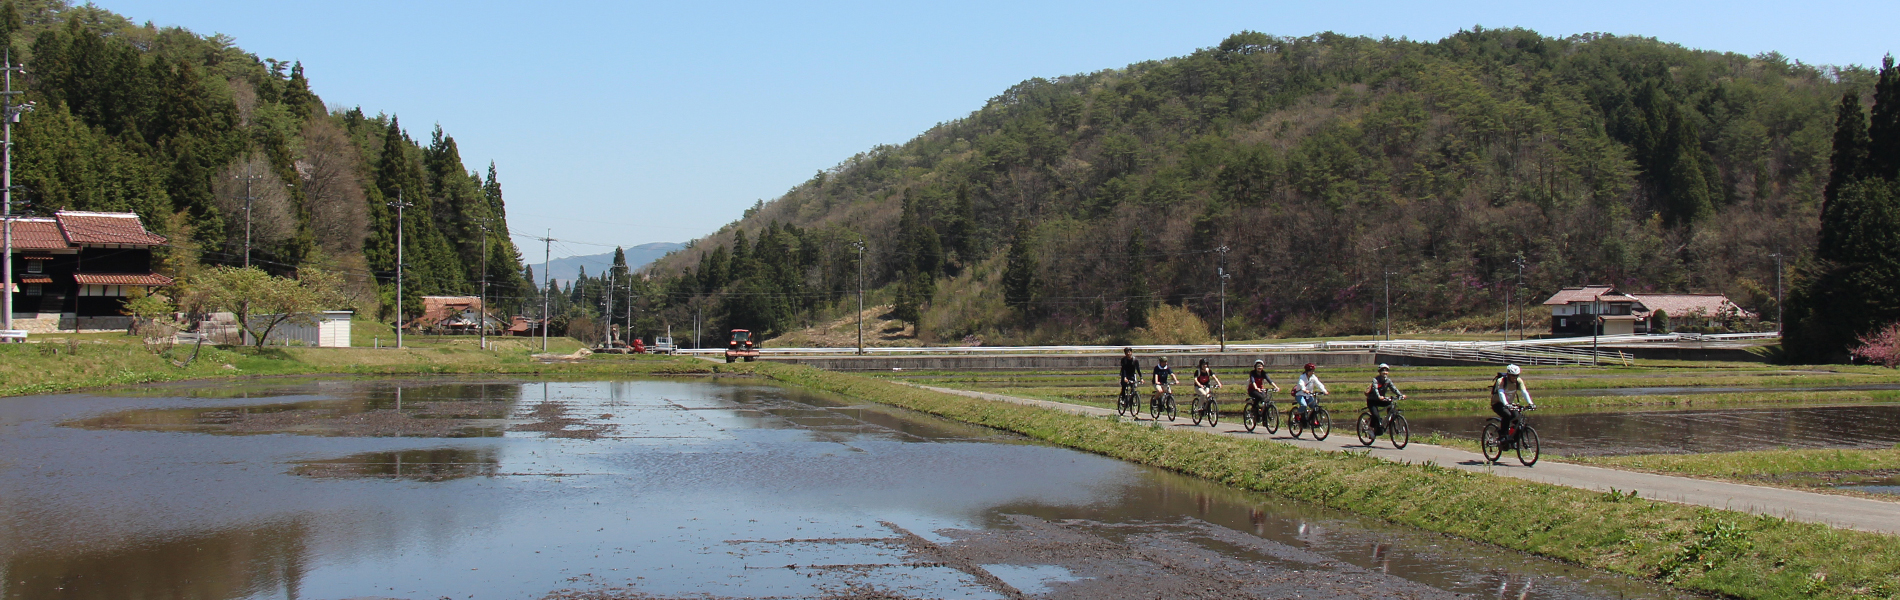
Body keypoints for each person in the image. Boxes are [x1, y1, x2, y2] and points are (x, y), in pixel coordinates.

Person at [1492, 364, 1536, 448]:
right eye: (1513, 376)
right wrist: (1506, 404)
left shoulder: (1519, 381)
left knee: (1518, 420)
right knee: (1507, 415)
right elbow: (1501, 393)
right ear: (1508, 374)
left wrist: (1531, 403)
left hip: (1509, 404)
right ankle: (1503, 437)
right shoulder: (1501, 381)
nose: (1515, 378)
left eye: (1517, 376)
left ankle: (1513, 441)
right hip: (1498, 403)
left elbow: (1524, 392)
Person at [1367, 363, 1405, 435]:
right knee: (1375, 415)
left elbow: (1394, 389)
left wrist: (1401, 395)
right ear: (1379, 372)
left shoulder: (1388, 381)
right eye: (1383, 371)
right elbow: (1375, 389)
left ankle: (1390, 420)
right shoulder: (1375, 380)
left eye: (1386, 370)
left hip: (1381, 400)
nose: (1385, 372)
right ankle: (1370, 428)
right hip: (1372, 400)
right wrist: (1379, 396)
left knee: (1391, 404)